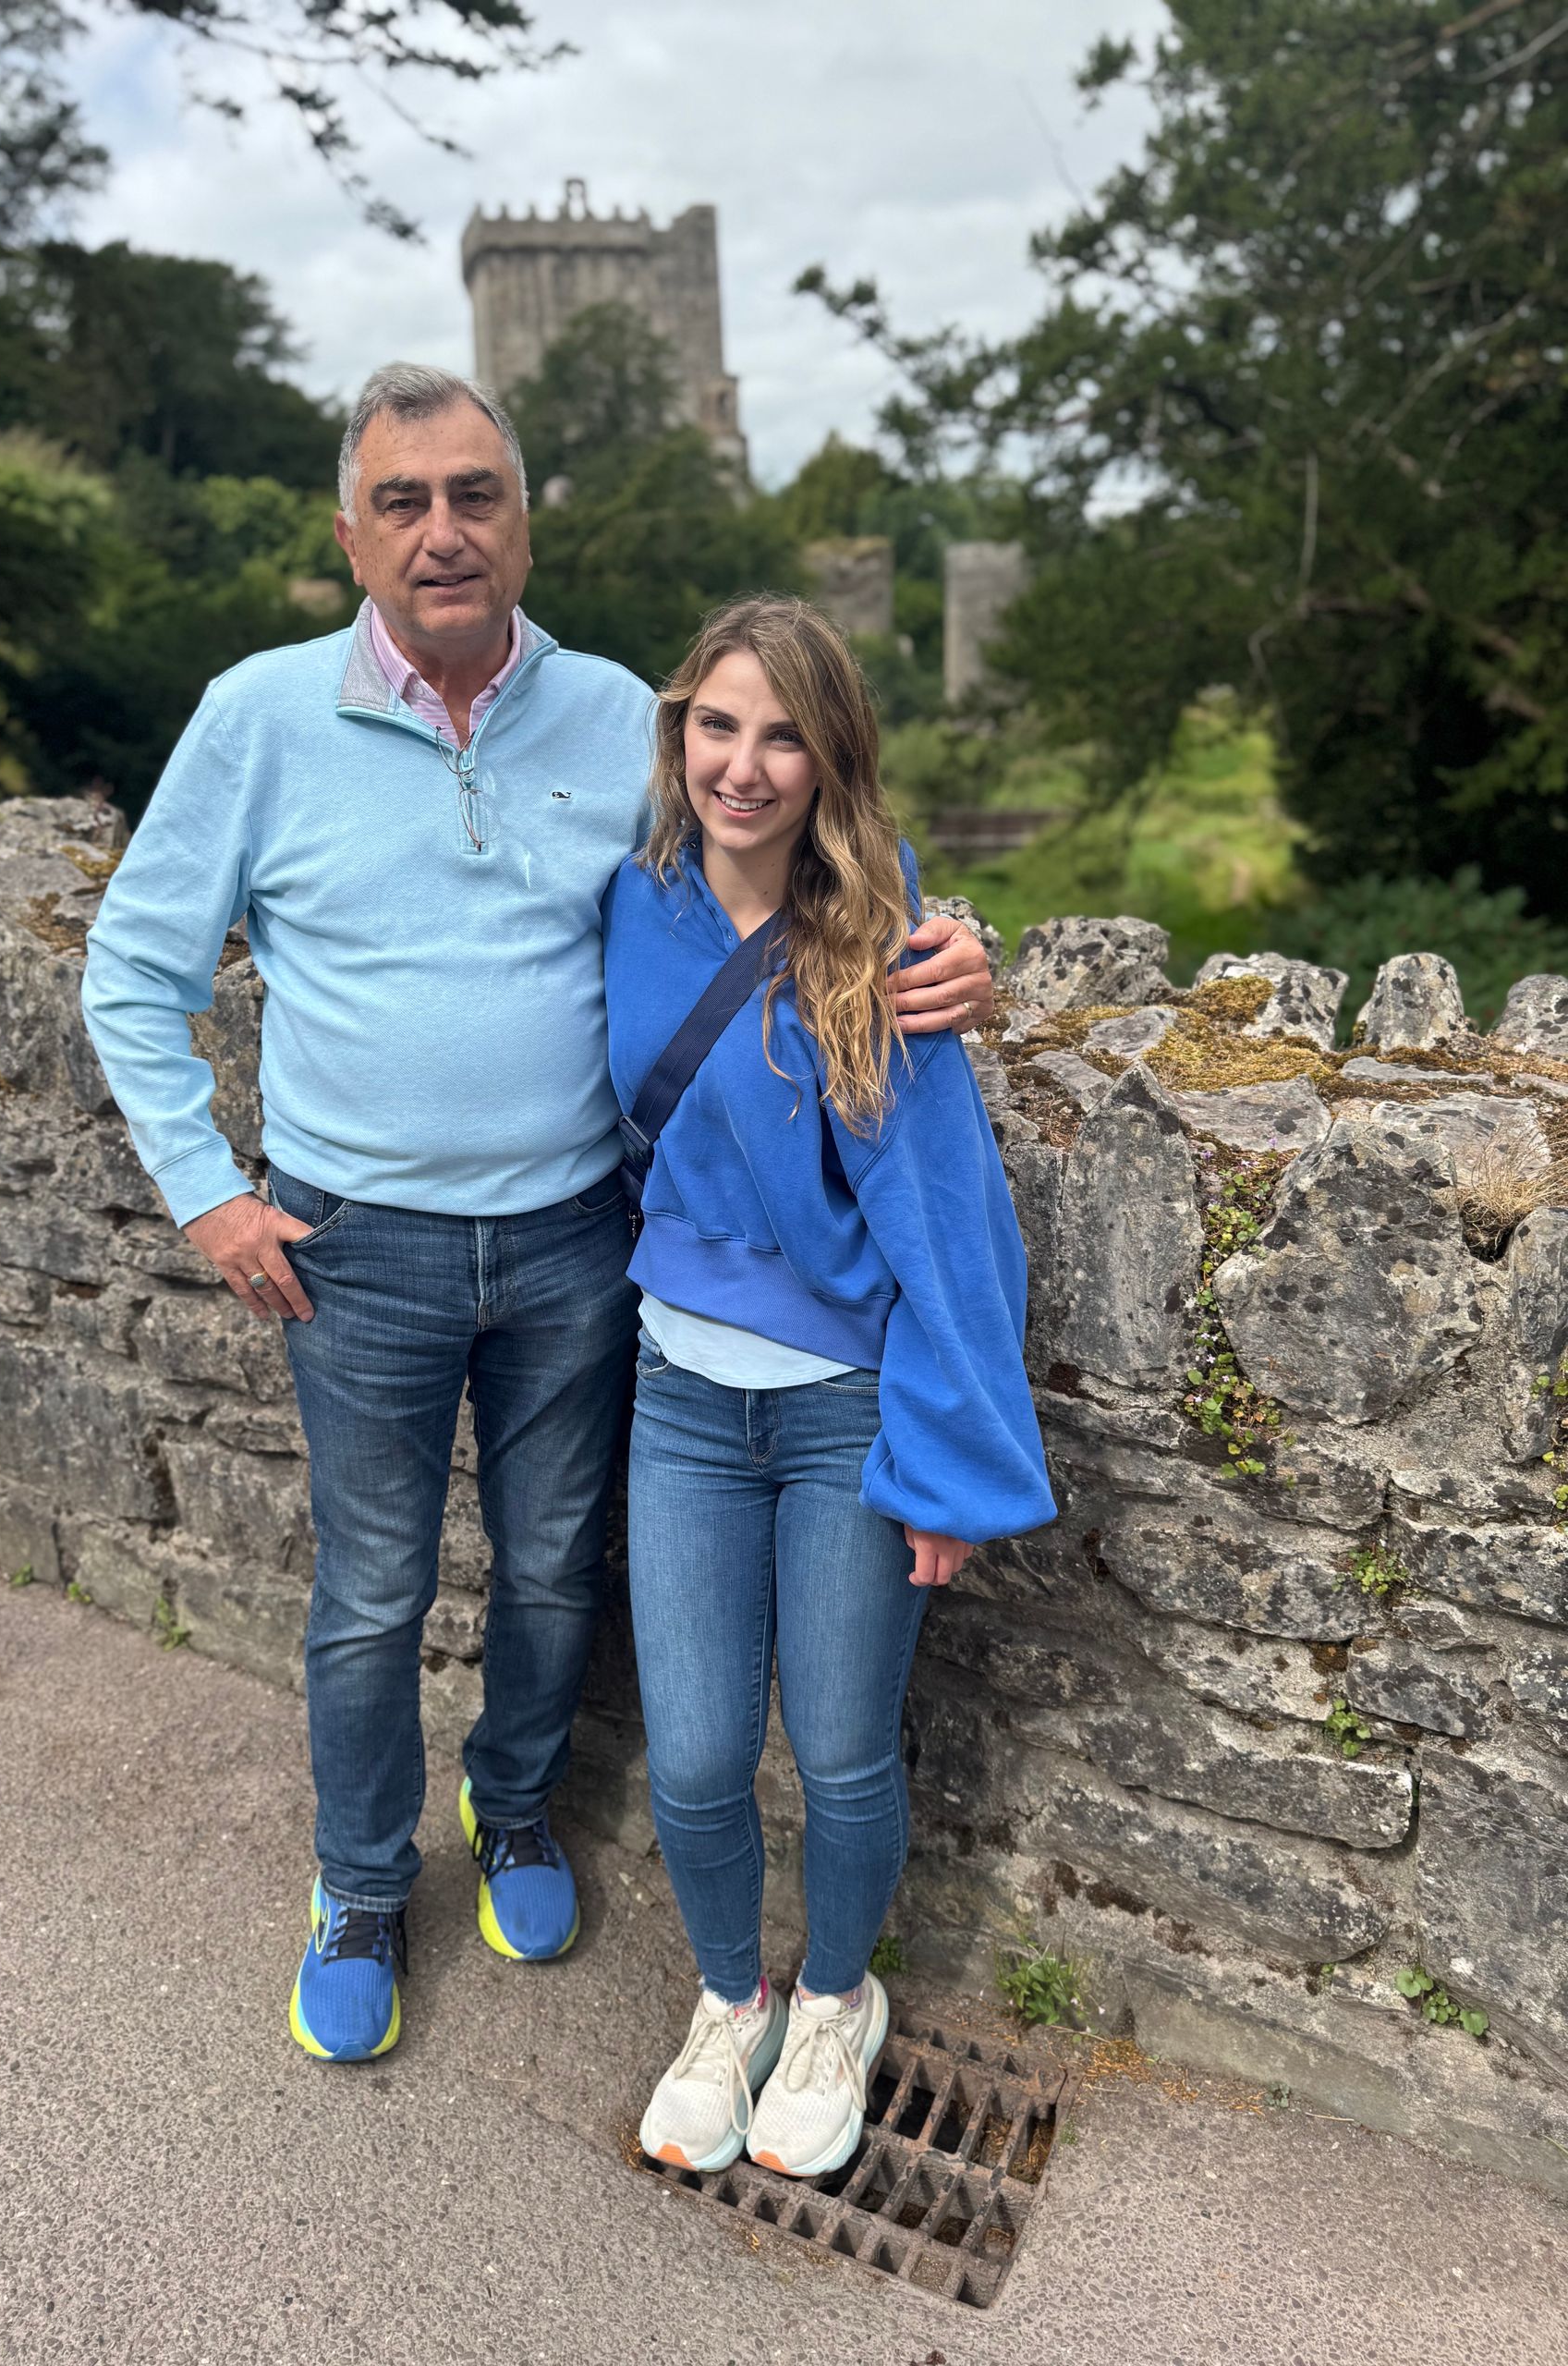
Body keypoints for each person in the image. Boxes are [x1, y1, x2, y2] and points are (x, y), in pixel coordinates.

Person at [79, 366, 996, 2065]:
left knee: (556, 1572)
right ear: (352, 532)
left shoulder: (618, 719)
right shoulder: (260, 716)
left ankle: (511, 1809)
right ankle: (361, 1881)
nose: (446, 532)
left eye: (476, 495)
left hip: (586, 1241)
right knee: (367, 1591)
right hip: (356, 1248)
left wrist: (948, 944)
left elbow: (778, 863)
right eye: (406, 501)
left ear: (523, 517)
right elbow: (130, 972)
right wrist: (208, 1196)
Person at [603, 596, 1054, 2178]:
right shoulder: (635, 899)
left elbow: (948, 1216)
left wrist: (952, 1466)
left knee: (847, 1745)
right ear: (679, 736)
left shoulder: (888, 943)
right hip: (677, 1400)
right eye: (716, 726)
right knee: (701, 1750)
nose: (743, 765)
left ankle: (838, 2003)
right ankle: (734, 2000)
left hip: (845, 1410)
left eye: (782, 734)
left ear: (830, 759)